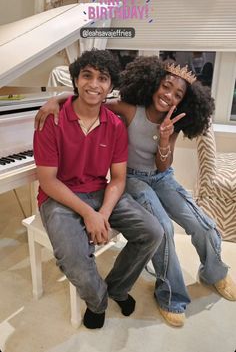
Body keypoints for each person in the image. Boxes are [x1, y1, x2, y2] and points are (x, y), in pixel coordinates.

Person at [35, 55, 236, 328]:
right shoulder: (127, 110)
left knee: (197, 224)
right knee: (161, 229)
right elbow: (90, 98)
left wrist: (165, 138)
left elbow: (161, 164)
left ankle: (215, 272)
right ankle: (157, 297)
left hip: (157, 177)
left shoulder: (166, 122)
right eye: (166, 86)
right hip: (126, 180)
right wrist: (56, 99)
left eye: (177, 94)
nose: (169, 95)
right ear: (153, 83)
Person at [33, 50, 164, 330]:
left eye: (102, 78)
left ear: (110, 86)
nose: (94, 84)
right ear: (76, 80)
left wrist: (102, 212)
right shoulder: (51, 120)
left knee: (153, 232)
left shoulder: (115, 125)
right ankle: (98, 301)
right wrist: (87, 214)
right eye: (87, 76)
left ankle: (117, 287)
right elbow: (48, 181)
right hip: (58, 197)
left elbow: (117, 178)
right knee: (73, 257)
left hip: (99, 191)